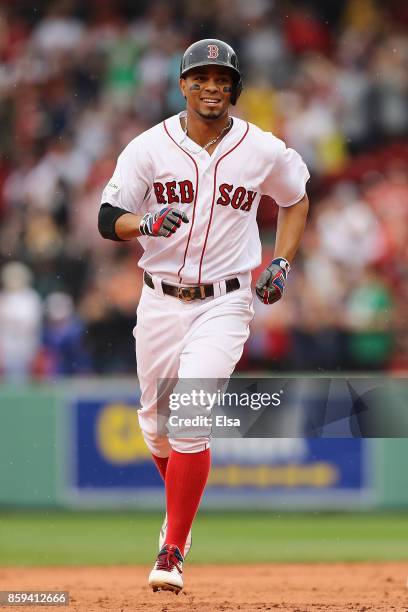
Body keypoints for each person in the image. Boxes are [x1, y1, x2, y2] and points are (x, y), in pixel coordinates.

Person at [98, 38, 309, 594]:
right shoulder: (149, 147)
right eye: (200, 78)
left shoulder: (261, 148)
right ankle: (180, 516)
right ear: (183, 85)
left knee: (191, 411)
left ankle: (172, 549)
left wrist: (281, 260)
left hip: (226, 298)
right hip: (159, 298)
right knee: (155, 427)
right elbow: (106, 216)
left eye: (222, 79)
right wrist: (142, 224)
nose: (211, 86)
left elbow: (296, 197)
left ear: (235, 89)